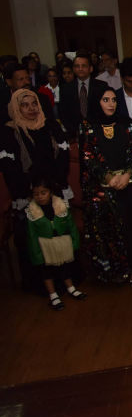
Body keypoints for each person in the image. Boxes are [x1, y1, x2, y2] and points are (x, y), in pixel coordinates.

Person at [80, 88, 132, 285]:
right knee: (109, 227)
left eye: (114, 100)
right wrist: (108, 177)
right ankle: (114, 271)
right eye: (105, 100)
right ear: (96, 102)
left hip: (129, 182)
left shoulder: (126, 123)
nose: (111, 104)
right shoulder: (87, 125)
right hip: (102, 187)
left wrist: (126, 174)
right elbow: (88, 155)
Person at [0, 89, 71, 290]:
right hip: (28, 194)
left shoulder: (50, 126)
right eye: (25, 105)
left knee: (60, 231)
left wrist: (53, 187)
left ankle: (66, 280)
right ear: (16, 108)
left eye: (34, 104)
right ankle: (41, 285)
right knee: (32, 237)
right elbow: (10, 170)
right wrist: (33, 191)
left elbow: (63, 157)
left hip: (53, 189)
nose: (31, 109)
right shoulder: (9, 132)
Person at [25, 176, 84, 311]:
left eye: (43, 193)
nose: (40, 197)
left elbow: (71, 226)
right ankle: (53, 295)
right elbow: (32, 236)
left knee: (65, 266)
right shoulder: (32, 212)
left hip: (62, 243)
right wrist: (36, 254)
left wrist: (75, 242)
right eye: (36, 194)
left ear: (50, 192)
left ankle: (70, 288)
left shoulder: (61, 206)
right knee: (47, 271)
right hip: (45, 246)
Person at [58, 52, 109, 138]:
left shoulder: (102, 86)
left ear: (91, 68)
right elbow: (63, 113)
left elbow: (106, 110)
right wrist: (73, 131)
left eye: (84, 66)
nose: (80, 69)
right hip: (75, 134)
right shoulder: (65, 89)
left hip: (99, 132)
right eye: (77, 66)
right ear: (73, 69)